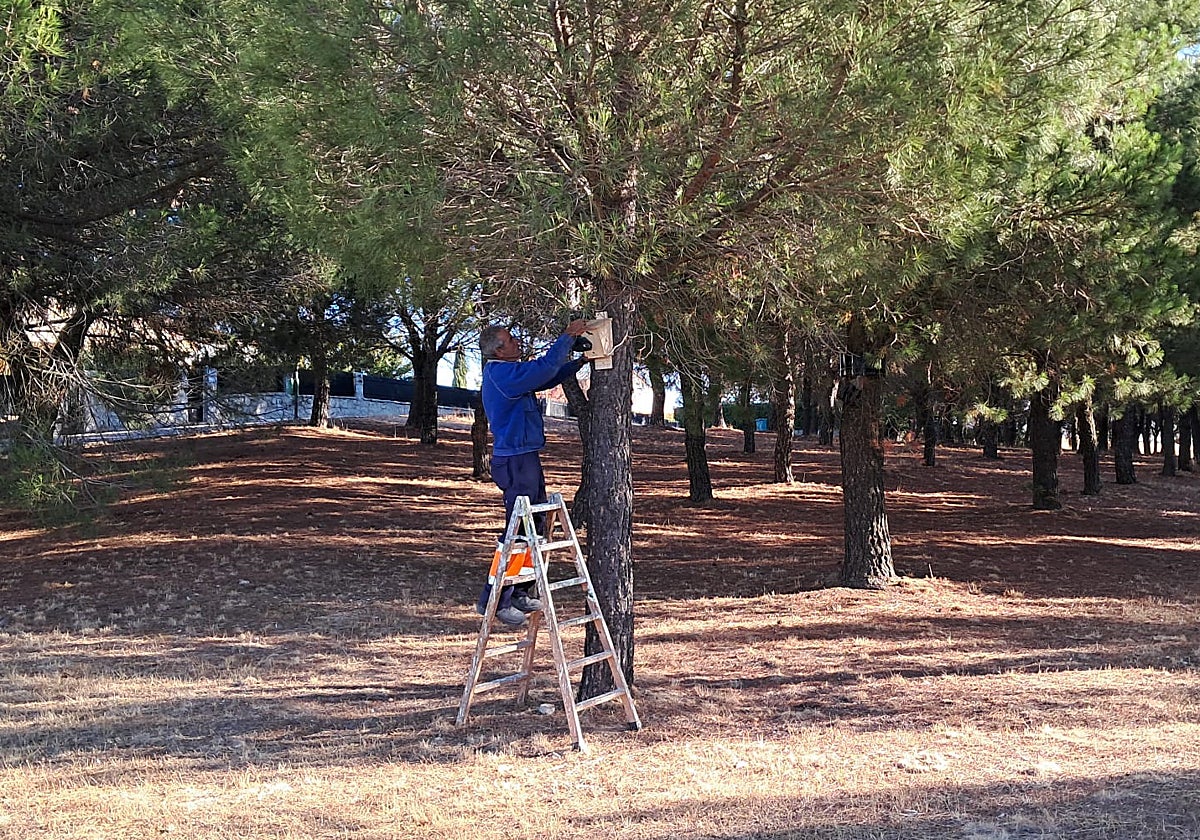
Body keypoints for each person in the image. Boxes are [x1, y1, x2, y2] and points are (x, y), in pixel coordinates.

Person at [477, 319, 589, 627]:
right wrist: (566, 337)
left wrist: (579, 361)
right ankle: (495, 598)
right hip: (514, 461)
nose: (516, 343)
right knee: (517, 532)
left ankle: (521, 590)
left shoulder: (510, 374)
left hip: (525, 457)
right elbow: (543, 369)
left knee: (535, 526)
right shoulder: (502, 374)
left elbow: (546, 377)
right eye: (511, 340)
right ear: (498, 350)